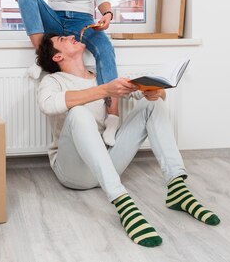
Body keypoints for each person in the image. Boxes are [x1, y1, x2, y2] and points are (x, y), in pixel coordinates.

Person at [35, 33, 220, 248]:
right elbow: (47, 105)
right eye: (62, 39)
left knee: (152, 106)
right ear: (57, 57)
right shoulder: (53, 80)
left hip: (107, 163)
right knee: (78, 113)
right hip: (72, 171)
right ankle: (123, 202)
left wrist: (156, 93)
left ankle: (177, 188)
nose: (70, 36)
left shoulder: (103, 76)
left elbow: (153, 97)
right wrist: (105, 90)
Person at [15, 0, 121, 145]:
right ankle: (42, 57)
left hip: (82, 21)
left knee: (106, 49)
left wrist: (107, 14)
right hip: (55, 19)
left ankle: (113, 118)